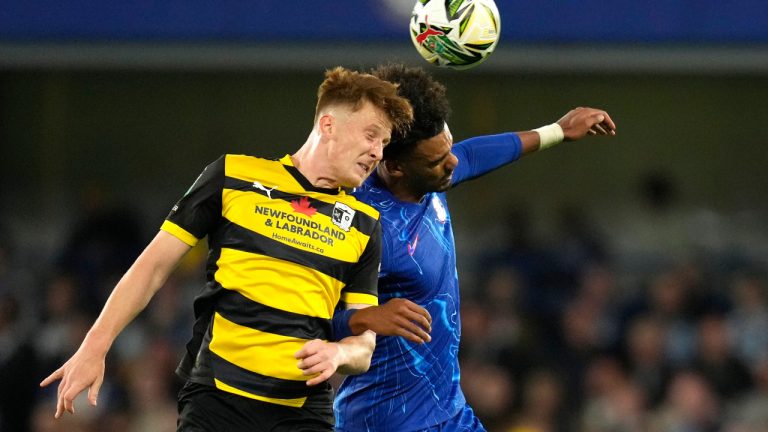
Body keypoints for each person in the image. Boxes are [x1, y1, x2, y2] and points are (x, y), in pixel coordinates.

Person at [40, 66, 433, 432]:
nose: (378, 153)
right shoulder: (232, 176)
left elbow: (363, 345)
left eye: (384, 143)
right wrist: (96, 344)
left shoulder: (365, 223)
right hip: (217, 402)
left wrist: (337, 355)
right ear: (328, 125)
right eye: (371, 135)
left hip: (302, 411)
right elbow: (153, 267)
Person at [332, 64, 617, 431]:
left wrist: (556, 131)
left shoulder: (432, 175)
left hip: (447, 412)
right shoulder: (359, 223)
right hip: (385, 419)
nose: (452, 163)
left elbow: (471, 156)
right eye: (437, 160)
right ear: (395, 166)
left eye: (448, 147)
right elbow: (298, 320)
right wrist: (359, 318)